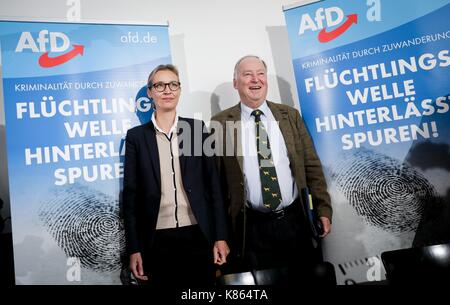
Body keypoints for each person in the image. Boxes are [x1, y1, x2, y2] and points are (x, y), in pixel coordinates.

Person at [210, 55, 332, 283]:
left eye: (261, 74)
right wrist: (221, 235)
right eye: (247, 74)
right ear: (236, 82)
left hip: (296, 222)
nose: (256, 80)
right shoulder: (220, 123)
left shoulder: (290, 116)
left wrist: (323, 209)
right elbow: (216, 183)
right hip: (251, 229)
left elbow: (312, 166)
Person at [122, 64, 230, 286]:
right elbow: (131, 198)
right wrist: (134, 248)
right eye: (159, 85)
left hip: (199, 235)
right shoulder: (136, 138)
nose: (167, 90)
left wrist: (221, 236)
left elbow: (214, 187)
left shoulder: (197, 130)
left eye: (173, 84)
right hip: (156, 240)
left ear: (179, 90)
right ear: (150, 92)